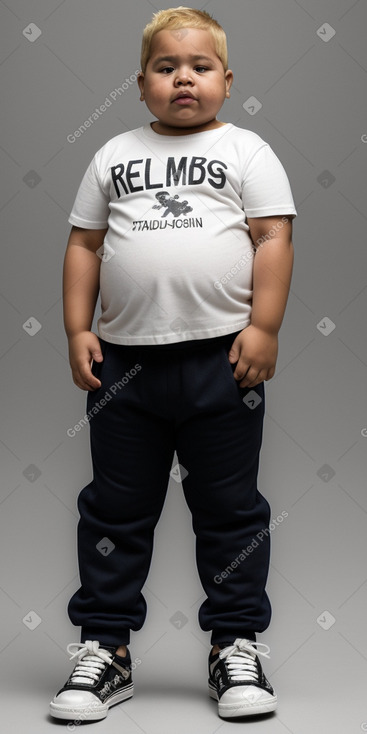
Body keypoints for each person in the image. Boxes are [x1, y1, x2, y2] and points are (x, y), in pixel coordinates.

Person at [49, 5, 297, 722]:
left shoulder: (246, 151)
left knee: (230, 511)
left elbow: (272, 236)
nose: (182, 79)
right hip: (123, 366)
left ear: (226, 79)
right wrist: (74, 328)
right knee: (114, 509)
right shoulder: (113, 154)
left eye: (198, 67)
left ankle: (235, 643)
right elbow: (84, 246)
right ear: (140, 82)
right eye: (165, 68)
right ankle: (105, 647)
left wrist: (266, 326)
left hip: (224, 361)